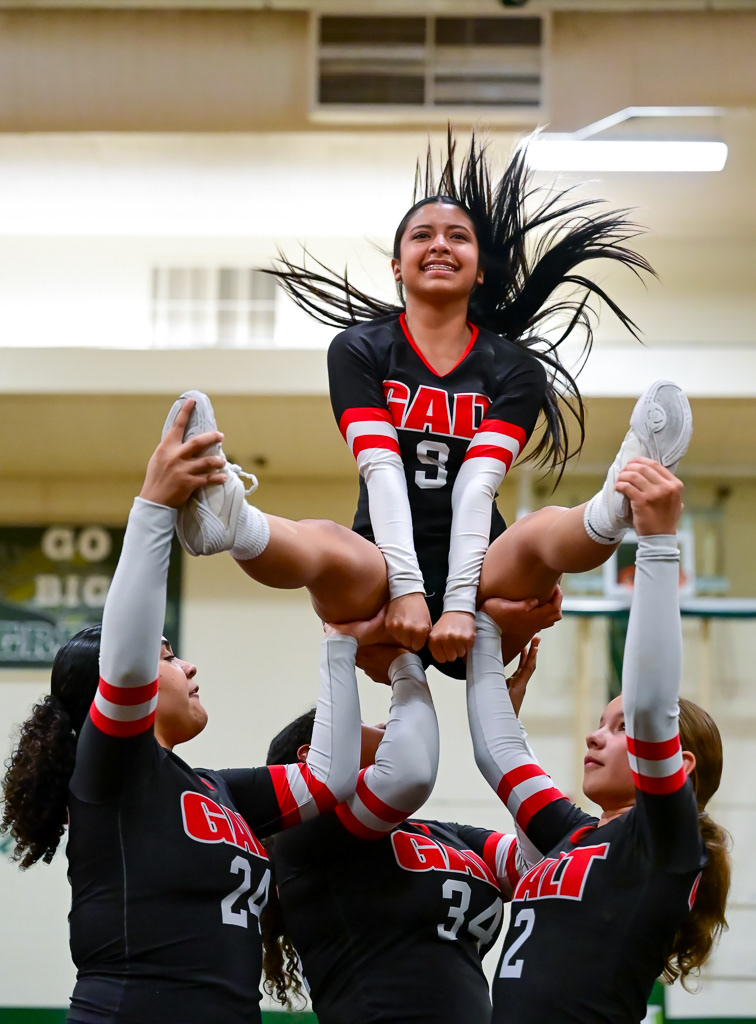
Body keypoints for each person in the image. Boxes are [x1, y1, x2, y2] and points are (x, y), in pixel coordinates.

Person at [167, 134, 659, 677]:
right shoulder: (359, 349)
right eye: (422, 235)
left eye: (458, 237)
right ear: (398, 267)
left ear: (480, 269)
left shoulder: (515, 368)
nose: (440, 244)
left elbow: (477, 484)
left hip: (482, 578)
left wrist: (457, 603)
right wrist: (405, 590)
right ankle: (233, 522)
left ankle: (616, 503)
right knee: (325, 542)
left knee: (539, 529)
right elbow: (381, 469)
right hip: (380, 572)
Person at [0, 398, 364, 1024]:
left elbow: (330, 777)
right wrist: (155, 505)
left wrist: (340, 637)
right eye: (169, 656)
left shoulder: (218, 790)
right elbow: (127, 668)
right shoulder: (109, 773)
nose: (189, 667)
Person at [466, 457, 731, 1023]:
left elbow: (651, 708)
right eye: (602, 723)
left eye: (619, 728)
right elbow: (498, 754)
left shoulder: (663, 839)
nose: (593, 736)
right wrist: (485, 625)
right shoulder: (573, 836)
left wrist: (656, 542)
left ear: (678, 766)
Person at [259, 638, 542, 1024]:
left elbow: (538, 867)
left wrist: (507, 731)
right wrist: (403, 663)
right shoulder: (308, 834)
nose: (381, 725)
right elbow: (411, 774)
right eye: (359, 724)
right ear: (315, 757)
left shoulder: (441, 834)